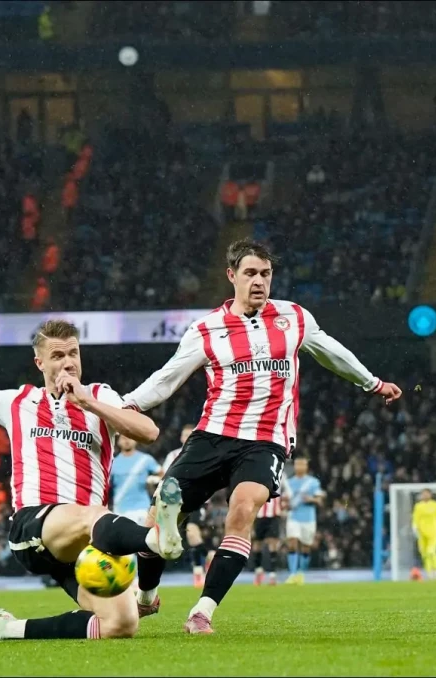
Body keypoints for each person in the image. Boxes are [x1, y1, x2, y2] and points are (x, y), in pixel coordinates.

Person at [122, 239, 402, 634]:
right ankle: (147, 597)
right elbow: (167, 378)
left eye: (266, 274)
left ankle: (202, 612)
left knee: (242, 511)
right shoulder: (206, 329)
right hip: (212, 434)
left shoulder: (294, 318)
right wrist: (126, 405)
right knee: (160, 516)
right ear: (231, 275)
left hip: (266, 440)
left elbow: (331, 352)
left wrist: (372, 383)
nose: (259, 282)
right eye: (250, 273)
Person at [0, 293, 182, 642]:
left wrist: (87, 401)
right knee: (92, 514)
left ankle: (4, 630)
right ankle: (154, 539)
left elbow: (148, 431)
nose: (68, 362)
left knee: (120, 625)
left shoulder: (100, 396)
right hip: (34, 527)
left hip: (83, 542)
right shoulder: (18, 401)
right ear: (40, 363)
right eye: (57, 356)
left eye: (73, 353)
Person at [285, 457, 324, 585]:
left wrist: (311, 499)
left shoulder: (313, 482)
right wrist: (285, 504)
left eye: (303, 464)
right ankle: (292, 574)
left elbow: (320, 501)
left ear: (306, 467)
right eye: (297, 464)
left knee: (306, 547)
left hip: (308, 518)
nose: (300, 467)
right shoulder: (289, 482)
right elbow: (285, 501)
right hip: (293, 517)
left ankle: (301, 572)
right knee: (292, 542)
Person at [110, 435, 163, 525]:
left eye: (130, 438)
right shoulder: (112, 462)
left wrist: (154, 480)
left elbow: (162, 474)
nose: (127, 441)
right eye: (123, 438)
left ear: (136, 441)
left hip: (141, 509)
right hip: (119, 509)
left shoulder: (146, 459)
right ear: (118, 442)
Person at [252, 466, 288, 586]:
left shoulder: (281, 475)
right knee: (257, 544)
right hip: (259, 514)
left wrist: (284, 504)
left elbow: (287, 493)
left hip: (274, 515)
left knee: (273, 543)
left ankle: (272, 575)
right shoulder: (255, 473)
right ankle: (258, 572)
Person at [411, 488, 436, 581]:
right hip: (422, 534)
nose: (425, 495)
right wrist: (414, 529)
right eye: (423, 494)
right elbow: (415, 519)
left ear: (430, 495)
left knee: (431, 552)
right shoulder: (418, 506)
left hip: (433, 533)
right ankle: (429, 574)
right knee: (424, 554)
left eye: (426, 494)